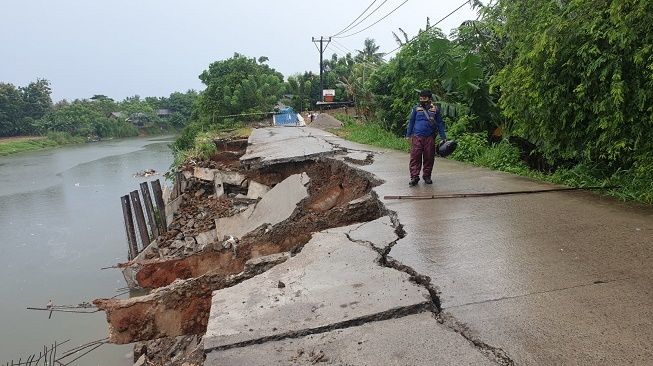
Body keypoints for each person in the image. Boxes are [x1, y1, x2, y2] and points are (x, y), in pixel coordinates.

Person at [405, 90, 447, 186]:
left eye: (424, 98)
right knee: (415, 157)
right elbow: (411, 122)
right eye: (420, 98)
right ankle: (414, 177)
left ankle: (427, 176)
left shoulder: (435, 109)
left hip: (430, 137)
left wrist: (443, 137)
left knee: (429, 157)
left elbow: (440, 123)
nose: (422, 100)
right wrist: (408, 135)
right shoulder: (416, 109)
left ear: (429, 99)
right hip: (417, 137)